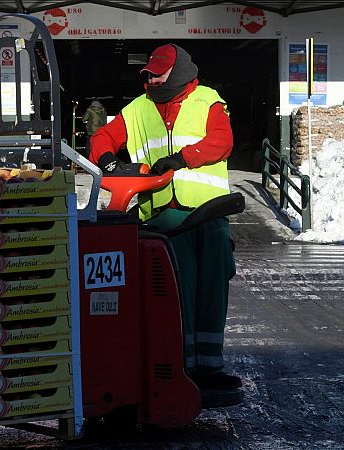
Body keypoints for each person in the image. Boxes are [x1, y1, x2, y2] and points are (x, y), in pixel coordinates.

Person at [88, 44, 240, 392]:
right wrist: (109, 161)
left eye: (159, 73)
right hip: (163, 216)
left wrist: (182, 158)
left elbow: (222, 141)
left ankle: (210, 368)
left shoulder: (208, 101)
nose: (152, 80)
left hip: (209, 212)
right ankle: (181, 368)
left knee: (212, 290)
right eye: (149, 75)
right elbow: (102, 137)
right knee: (175, 293)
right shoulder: (138, 109)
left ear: (181, 72)